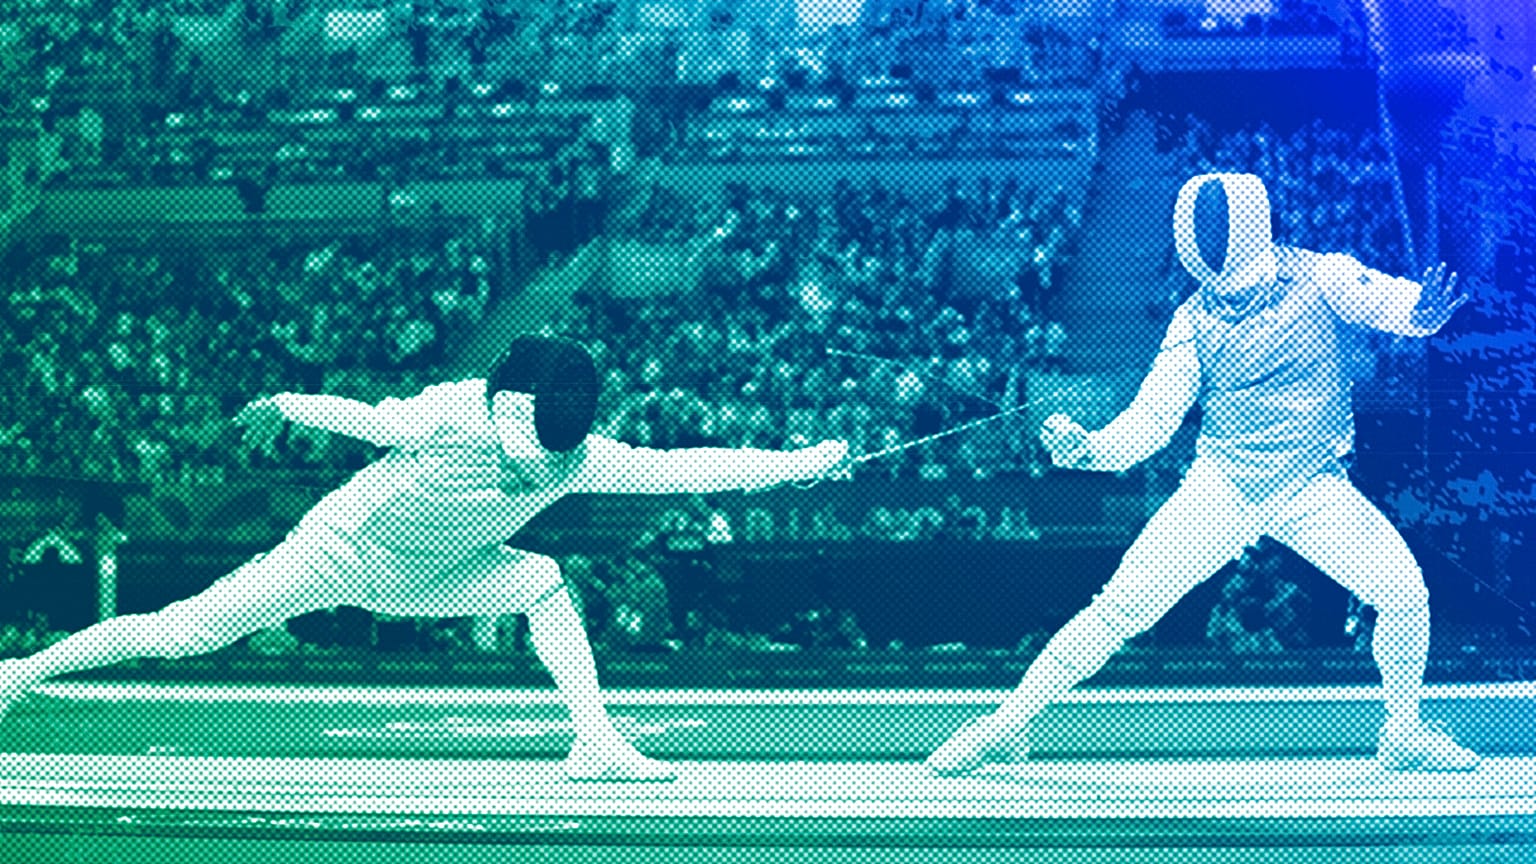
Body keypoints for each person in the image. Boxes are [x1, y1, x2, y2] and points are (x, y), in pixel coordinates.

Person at [0, 335, 848, 782]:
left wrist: (804, 461)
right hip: (338, 551)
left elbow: (688, 467)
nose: (539, 465)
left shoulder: (582, 454)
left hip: (434, 576)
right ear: (503, 408)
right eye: (529, 443)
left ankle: (593, 741)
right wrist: (285, 402)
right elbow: (370, 421)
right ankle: (18, 675)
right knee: (181, 633)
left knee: (544, 580)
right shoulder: (449, 413)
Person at [926, 172, 1478, 776]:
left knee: (1403, 592)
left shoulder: (1322, 276)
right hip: (1223, 488)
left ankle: (1403, 731)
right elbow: (1149, 424)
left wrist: (1420, 315)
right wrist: (1089, 450)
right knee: (1117, 610)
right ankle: (1006, 727)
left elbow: (1394, 305)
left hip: (1312, 487)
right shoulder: (1193, 319)